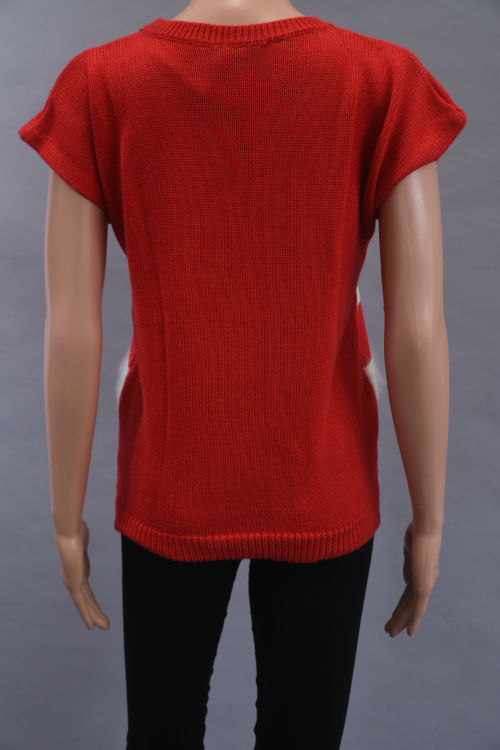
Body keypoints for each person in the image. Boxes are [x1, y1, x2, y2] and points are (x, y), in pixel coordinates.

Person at [17, 2, 467, 748]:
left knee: (160, 734)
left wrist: (67, 523)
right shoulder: (380, 80)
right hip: (320, 477)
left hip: (173, 478)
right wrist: (431, 523)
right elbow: (418, 329)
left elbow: (70, 329)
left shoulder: (102, 83)